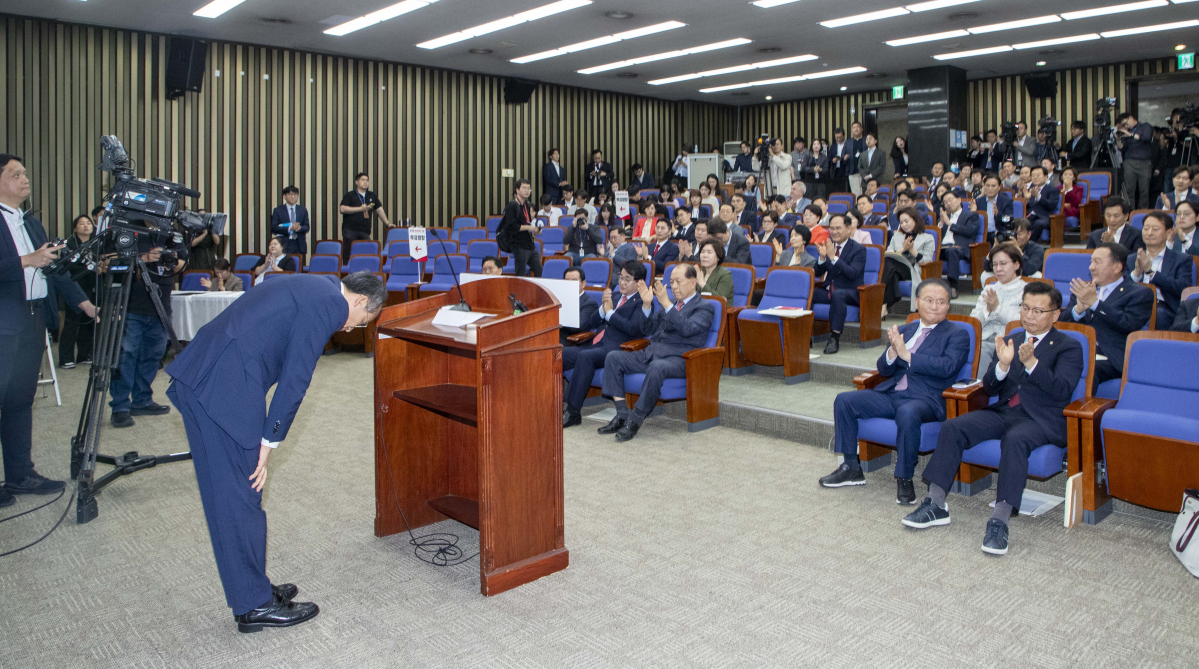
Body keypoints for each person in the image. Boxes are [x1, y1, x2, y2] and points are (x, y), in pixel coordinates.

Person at [166, 271, 385, 632]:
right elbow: (296, 376)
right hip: (226, 386)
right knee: (242, 495)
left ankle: (249, 589)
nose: (348, 330)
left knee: (224, 494)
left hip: (203, 374)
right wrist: (269, 442)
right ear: (360, 301)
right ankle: (254, 606)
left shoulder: (315, 283)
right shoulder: (331, 303)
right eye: (360, 322)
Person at [907, 281, 1082, 555]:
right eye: (1026, 308)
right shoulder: (1013, 336)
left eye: (1038, 311)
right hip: (1004, 410)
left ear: (1055, 315)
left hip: (1041, 420)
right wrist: (1002, 365)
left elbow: (1062, 389)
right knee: (953, 427)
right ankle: (936, 503)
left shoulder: (1068, 346)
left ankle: (999, 521)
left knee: (1014, 440)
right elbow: (989, 387)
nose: (1029, 316)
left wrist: (1032, 364)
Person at [0, 154, 98, 506]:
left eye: (26, 172)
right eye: (16, 174)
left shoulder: (30, 222)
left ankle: (20, 475)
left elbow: (56, 270)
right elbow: (30, 263)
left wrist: (84, 303)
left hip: (32, 320)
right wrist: (27, 261)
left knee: (18, 401)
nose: (25, 179)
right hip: (3, 322)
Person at [819, 279, 969, 503]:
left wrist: (907, 355)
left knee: (908, 412)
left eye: (941, 302)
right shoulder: (906, 330)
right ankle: (851, 466)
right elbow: (882, 369)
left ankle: (905, 477)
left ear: (948, 306)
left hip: (927, 399)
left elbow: (947, 367)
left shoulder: (957, 335)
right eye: (929, 300)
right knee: (844, 400)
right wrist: (892, 352)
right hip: (892, 394)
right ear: (917, 302)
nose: (935, 306)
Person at [598, 266, 715, 442]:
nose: (674, 286)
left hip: (681, 359)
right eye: (672, 282)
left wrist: (666, 304)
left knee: (656, 367)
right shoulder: (670, 304)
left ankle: (635, 420)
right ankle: (622, 414)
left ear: (693, 282)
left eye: (678, 282)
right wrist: (646, 305)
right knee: (614, 357)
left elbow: (688, 329)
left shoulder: (704, 307)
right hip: (652, 353)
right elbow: (648, 329)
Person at [108, 238, 187, 428]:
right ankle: (120, 407)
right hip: (132, 306)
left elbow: (182, 265)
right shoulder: (130, 231)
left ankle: (142, 400)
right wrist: (143, 258)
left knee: (152, 356)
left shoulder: (173, 235)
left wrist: (172, 261)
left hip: (161, 307)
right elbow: (109, 261)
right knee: (125, 355)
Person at [562, 261, 647, 427]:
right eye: (620, 277)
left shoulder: (640, 302)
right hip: (595, 342)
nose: (621, 282)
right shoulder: (615, 296)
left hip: (616, 348)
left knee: (585, 357)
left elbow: (632, 329)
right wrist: (602, 309)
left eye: (627, 279)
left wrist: (609, 314)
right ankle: (548, 402)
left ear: (639, 282)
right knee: (559, 353)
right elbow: (593, 321)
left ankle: (572, 411)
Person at [1058, 242, 1152, 389]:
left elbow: (1128, 324)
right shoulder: (1084, 289)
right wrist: (1078, 310)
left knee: (1086, 370)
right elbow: (1062, 324)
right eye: (1091, 262)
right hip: (1078, 350)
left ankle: (1080, 410)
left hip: (1110, 357)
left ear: (1117, 267)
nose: (1091, 267)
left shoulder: (1139, 293)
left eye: (1097, 262)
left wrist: (1095, 303)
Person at [811, 215, 866, 354]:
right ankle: (806, 334)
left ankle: (834, 337)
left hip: (851, 292)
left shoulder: (858, 249)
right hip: (830, 291)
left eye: (838, 228)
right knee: (808, 292)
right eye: (832, 228)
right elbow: (817, 273)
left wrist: (833, 258)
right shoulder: (829, 246)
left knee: (838, 294)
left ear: (848, 229)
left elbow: (853, 273)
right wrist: (823, 258)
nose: (834, 232)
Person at [1127, 211, 1192, 327]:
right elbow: (1120, 289)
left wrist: (1152, 273)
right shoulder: (1131, 259)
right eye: (1146, 229)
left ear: (1168, 233)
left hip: (1163, 308)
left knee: (1158, 315)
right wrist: (1136, 274)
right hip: (1134, 305)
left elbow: (1184, 289)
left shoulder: (1181, 259)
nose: (1149, 233)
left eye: (1155, 229)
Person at [970, 244, 1026, 373]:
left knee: (981, 349)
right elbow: (973, 322)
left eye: (1003, 264)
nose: (998, 269)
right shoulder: (990, 288)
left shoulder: (1027, 292)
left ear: (1017, 265)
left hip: (1010, 342)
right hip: (984, 338)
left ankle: (979, 389)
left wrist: (997, 309)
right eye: (995, 265)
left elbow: (1022, 322)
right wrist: (988, 311)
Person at [59, 214, 99, 368]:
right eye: (81, 223)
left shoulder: (97, 243)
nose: (85, 226)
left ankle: (84, 354)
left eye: (88, 223)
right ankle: (66, 358)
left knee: (88, 322)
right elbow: (68, 266)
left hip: (92, 285)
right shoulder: (68, 244)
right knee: (71, 322)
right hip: (74, 285)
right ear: (75, 228)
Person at [880, 207, 935, 318]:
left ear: (915, 220)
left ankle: (882, 304)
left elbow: (927, 260)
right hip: (895, 267)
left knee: (889, 265)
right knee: (891, 268)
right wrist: (902, 250)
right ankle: (884, 307)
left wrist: (911, 250)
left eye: (906, 221)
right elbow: (889, 252)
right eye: (901, 222)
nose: (904, 225)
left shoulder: (928, 238)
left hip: (914, 269)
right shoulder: (897, 236)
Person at [338, 173, 392, 263]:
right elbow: (342, 209)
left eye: (367, 180)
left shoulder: (371, 196)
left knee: (366, 254)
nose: (365, 182)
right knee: (349, 255)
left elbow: (380, 210)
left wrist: (388, 223)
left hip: (365, 231)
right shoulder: (350, 195)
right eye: (363, 180)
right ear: (356, 182)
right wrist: (360, 209)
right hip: (350, 230)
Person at [937, 190, 981, 299]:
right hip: (942, 248)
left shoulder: (970, 216)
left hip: (959, 249)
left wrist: (950, 224)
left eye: (950, 200)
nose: (948, 204)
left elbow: (969, 231)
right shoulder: (944, 218)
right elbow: (937, 237)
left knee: (951, 251)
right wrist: (942, 224)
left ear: (959, 200)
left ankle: (953, 287)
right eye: (945, 202)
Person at [497, 178, 542, 278]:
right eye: (524, 188)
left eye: (529, 188)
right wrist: (529, 228)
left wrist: (535, 230)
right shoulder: (512, 206)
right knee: (520, 273)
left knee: (539, 269)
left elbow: (525, 222)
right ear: (517, 190)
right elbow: (511, 227)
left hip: (529, 245)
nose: (527, 190)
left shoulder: (526, 204)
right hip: (519, 245)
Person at [1115, 112, 1155, 209]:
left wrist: (1130, 134)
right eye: (1123, 125)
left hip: (1144, 162)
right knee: (1129, 190)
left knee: (1144, 190)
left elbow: (1146, 137)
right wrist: (1118, 139)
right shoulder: (1126, 131)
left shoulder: (1145, 126)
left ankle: (1142, 213)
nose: (1126, 126)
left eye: (1126, 123)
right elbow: (1122, 148)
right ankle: (1130, 213)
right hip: (1129, 162)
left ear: (1131, 118)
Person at [559, 267, 602, 346]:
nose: (570, 284)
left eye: (574, 281)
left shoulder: (590, 304)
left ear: (583, 283)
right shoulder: (558, 300)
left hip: (571, 341)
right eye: (567, 281)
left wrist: (556, 321)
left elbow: (578, 327)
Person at [269, 186, 309, 256]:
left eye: (295, 194)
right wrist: (290, 228)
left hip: (299, 244)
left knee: (299, 266)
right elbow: (273, 228)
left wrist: (299, 228)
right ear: (284, 196)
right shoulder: (278, 210)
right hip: (284, 244)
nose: (293, 196)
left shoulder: (302, 210)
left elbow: (307, 227)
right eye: (290, 194)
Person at [1025, 166, 1060, 244]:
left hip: (1043, 217)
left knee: (1038, 223)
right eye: (1033, 175)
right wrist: (1026, 199)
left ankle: (1028, 245)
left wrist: (1038, 196)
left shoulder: (1052, 190)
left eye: (1038, 175)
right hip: (1028, 216)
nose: (1035, 177)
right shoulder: (1028, 190)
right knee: (1018, 222)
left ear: (1046, 176)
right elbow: (1024, 207)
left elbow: (1051, 205)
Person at [976, 173, 1014, 242]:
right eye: (987, 186)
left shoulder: (1006, 201)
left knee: (996, 238)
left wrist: (998, 214)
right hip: (982, 234)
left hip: (998, 232)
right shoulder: (978, 201)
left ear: (999, 187)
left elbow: (1009, 219)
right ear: (984, 186)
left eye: (993, 186)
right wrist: (973, 212)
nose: (990, 189)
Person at [695, 239, 734, 303]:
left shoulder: (725, 275)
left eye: (709, 252)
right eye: (702, 252)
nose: (705, 255)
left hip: (718, 311)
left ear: (718, 257)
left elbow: (720, 300)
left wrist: (702, 284)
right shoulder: (700, 272)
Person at [830, 127, 853, 194]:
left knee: (846, 189)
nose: (839, 139)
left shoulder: (849, 144)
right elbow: (829, 158)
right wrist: (833, 160)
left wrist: (845, 157)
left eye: (840, 137)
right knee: (836, 190)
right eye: (837, 137)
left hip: (846, 169)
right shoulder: (833, 146)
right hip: (836, 171)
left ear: (843, 135)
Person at [848, 122, 866, 195]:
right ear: (852, 130)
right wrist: (845, 157)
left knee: (865, 193)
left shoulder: (867, 140)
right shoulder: (848, 142)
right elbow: (843, 155)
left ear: (862, 129)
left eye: (857, 127)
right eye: (854, 127)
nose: (856, 129)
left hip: (865, 172)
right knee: (855, 195)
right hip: (853, 172)